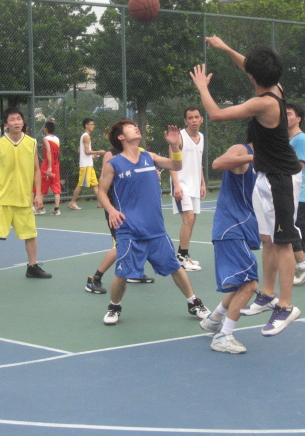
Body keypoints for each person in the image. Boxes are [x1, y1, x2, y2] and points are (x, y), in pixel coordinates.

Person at [190, 37, 303, 337]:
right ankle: (267, 294)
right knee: (267, 238)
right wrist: (226, 49)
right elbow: (249, 66)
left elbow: (216, 114)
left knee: (282, 242)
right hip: (266, 176)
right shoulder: (275, 88)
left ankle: (286, 306)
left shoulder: (263, 103)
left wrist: (202, 87)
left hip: (281, 178)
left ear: (253, 77)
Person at [97, 118, 210, 325]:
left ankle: (193, 302)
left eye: (135, 125)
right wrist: (111, 210)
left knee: (175, 267)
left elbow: (176, 164)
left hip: (155, 228)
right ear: (121, 137)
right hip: (129, 229)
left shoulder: (149, 157)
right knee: (122, 273)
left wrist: (174, 146)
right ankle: (114, 306)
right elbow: (101, 191)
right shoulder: (113, 164)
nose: (135, 128)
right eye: (130, 127)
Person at [0, 107, 52, 284]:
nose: (16, 122)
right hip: (1, 198)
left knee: (30, 233)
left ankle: (32, 267)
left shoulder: (31, 143)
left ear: (23, 121)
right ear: (6, 124)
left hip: (23, 198)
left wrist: (38, 194)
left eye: (19, 119)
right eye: (12, 119)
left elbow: (37, 170)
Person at [199, 142, 259, 353]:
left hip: (242, 227)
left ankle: (213, 320)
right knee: (250, 283)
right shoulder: (243, 150)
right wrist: (253, 158)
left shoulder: (268, 156)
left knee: (242, 282)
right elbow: (218, 163)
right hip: (231, 227)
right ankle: (224, 336)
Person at [85, 143, 155, 295]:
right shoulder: (111, 155)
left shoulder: (140, 153)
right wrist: (111, 209)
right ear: (121, 136)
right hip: (117, 208)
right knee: (120, 246)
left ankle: (134, 273)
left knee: (140, 239)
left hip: (135, 207)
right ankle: (95, 278)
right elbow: (104, 183)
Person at [169, 107, 206, 271]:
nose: (194, 120)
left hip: (194, 185)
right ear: (185, 121)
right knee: (188, 219)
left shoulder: (201, 137)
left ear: (201, 119)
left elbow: (198, 162)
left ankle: (184, 254)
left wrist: (202, 183)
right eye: (190, 118)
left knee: (192, 220)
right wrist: (176, 185)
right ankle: (181, 258)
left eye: (196, 117)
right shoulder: (179, 137)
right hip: (181, 185)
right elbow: (171, 162)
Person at [286, 103, 305, 285]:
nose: (285, 117)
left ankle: (303, 267)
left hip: (301, 194)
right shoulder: (289, 139)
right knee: (298, 232)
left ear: (298, 119)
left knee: (292, 230)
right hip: (295, 194)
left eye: (289, 114)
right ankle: (303, 269)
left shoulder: (300, 139)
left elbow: (298, 166)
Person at [67, 118, 105, 210]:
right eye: (91, 124)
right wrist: (99, 152)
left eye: (93, 124)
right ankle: (72, 203)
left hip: (89, 165)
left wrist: (92, 155)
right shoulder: (86, 136)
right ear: (86, 125)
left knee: (95, 184)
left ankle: (101, 202)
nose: (93, 126)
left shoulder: (85, 136)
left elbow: (80, 150)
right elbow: (87, 151)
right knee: (80, 185)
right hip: (85, 166)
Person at [34, 120, 62, 216]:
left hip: (47, 165)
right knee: (56, 187)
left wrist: (49, 166)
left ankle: (40, 208)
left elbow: (49, 152)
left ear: (46, 129)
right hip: (56, 165)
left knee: (41, 186)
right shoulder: (57, 139)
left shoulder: (45, 139)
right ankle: (56, 209)